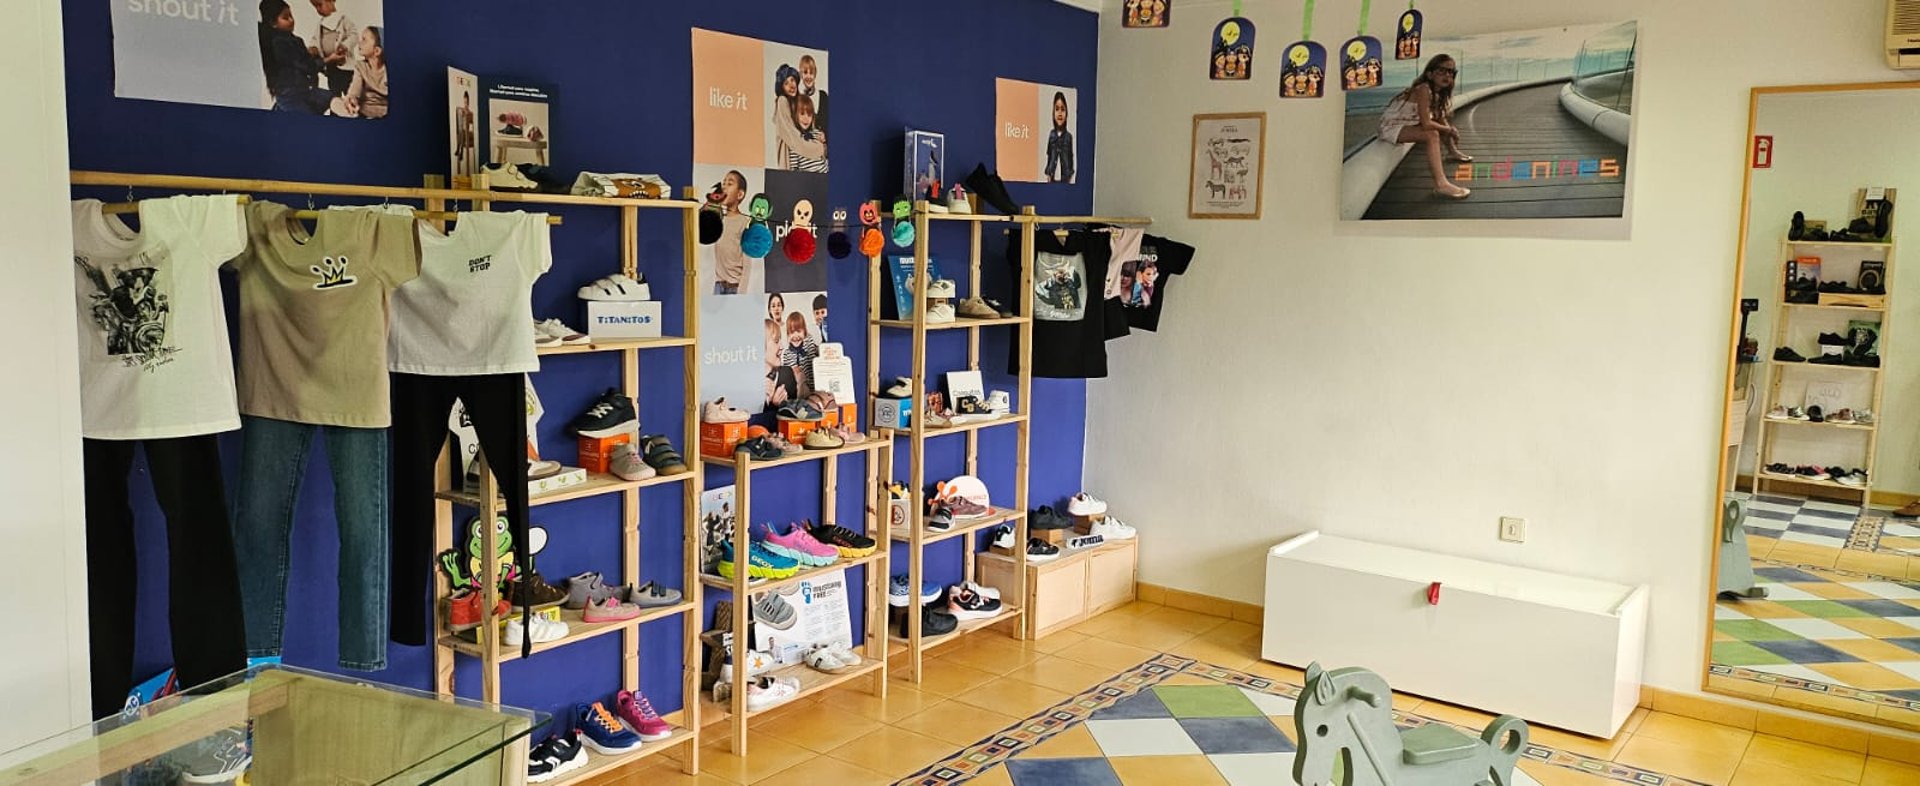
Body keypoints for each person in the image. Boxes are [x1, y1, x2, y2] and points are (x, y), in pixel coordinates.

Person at [1377, 54, 1472, 199]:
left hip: (1406, 124)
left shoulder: (1436, 93)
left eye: (1451, 72)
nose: (1447, 75)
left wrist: (1449, 130)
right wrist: (1450, 130)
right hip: (1391, 126)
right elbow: (1427, 124)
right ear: (1430, 74)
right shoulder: (1423, 89)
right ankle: (1441, 185)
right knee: (1432, 134)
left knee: (1441, 121)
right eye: (1442, 70)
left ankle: (1452, 152)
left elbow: (1440, 118)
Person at [257, 0, 329, 113]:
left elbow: (300, 61)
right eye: (286, 17)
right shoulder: (280, 43)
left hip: (295, 94)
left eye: (291, 16)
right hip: (293, 96)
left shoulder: (291, 41)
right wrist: (329, 59)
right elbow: (306, 65)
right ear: (273, 23)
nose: (291, 20)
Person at [771, 64, 825, 171]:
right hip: (793, 164)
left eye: (792, 80)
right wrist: (820, 148)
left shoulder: (799, 101)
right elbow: (794, 139)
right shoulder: (782, 101)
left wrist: (820, 134)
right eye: (786, 83)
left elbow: (812, 123)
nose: (791, 85)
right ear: (782, 88)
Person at [328, 26, 386, 119]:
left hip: (383, 112)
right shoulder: (360, 66)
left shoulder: (386, 71)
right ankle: (354, 116)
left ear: (377, 51)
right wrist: (351, 100)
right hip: (361, 110)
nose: (359, 42)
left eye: (364, 40)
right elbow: (354, 89)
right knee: (335, 102)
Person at [307, 0, 357, 94]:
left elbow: (354, 35)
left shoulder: (343, 19)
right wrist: (313, 47)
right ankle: (336, 107)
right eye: (315, 7)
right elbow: (316, 39)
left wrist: (345, 45)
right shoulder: (320, 24)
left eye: (319, 5)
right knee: (334, 94)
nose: (318, 9)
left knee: (350, 92)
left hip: (345, 66)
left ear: (331, 1)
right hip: (331, 67)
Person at [713, 170, 749, 293]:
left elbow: (747, 262)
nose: (724, 187)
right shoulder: (718, 220)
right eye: (723, 183)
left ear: (740, 194)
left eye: (730, 183)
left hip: (735, 286)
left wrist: (741, 291)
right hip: (718, 285)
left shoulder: (744, 222)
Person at [785, 94, 829, 173]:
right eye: (802, 114)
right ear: (795, 115)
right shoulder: (794, 140)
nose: (806, 118)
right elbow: (794, 168)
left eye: (809, 115)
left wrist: (824, 144)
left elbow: (824, 157)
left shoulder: (817, 133)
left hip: (824, 174)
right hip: (807, 179)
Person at [780, 311, 819, 393]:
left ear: (804, 332)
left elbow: (813, 355)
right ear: (788, 334)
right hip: (797, 391)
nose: (796, 335)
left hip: (813, 388)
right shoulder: (787, 354)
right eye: (792, 332)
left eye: (799, 331)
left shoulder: (808, 343)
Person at [1044, 91, 1074, 184]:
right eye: (1057, 109)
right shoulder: (1052, 135)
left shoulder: (1068, 137)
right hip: (1052, 179)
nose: (1060, 113)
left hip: (1065, 179)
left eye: (1063, 109)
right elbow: (1049, 155)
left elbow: (1070, 157)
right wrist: (1048, 173)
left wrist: (1070, 174)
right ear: (1053, 113)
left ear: (1066, 112)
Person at [800, 54, 828, 135]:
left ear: (815, 74)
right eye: (805, 72)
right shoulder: (799, 99)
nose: (808, 76)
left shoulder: (823, 97)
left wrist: (825, 136)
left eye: (811, 73)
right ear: (801, 75)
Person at [454, 91, 476, 174]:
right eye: (464, 101)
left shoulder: (470, 113)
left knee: (463, 133)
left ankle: (459, 150)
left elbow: (472, 124)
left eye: (467, 102)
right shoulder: (460, 110)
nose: (465, 103)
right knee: (461, 132)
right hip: (461, 133)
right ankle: (461, 152)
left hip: (467, 133)